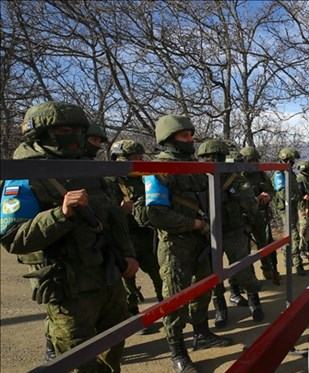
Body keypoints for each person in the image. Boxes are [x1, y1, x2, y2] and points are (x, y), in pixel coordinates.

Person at [1, 101, 139, 372]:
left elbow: (114, 218)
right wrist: (59, 214)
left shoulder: (89, 169)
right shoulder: (24, 175)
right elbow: (13, 239)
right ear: (40, 133)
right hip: (68, 288)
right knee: (80, 361)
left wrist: (128, 254)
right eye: (65, 129)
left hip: (108, 276)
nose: (75, 137)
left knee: (114, 347)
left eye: (78, 130)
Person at [144, 115, 231, 373]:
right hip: (175, 245)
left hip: (202, 241)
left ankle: (201, 334)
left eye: (191, 135)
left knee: (203, 289)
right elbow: (156, 213)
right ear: (169, 139)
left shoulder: (195, 165)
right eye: (185, 136)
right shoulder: (157, 169)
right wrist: (195, 225)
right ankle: (178, 352)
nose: (191, 140)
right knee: (176, 299)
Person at [196, 139, 264, 329]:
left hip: (232, 230)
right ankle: (221, 309)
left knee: (243, 267)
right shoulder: (198, 179)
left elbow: (250, 203)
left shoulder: (235, 179)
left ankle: (253, 302)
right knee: (215, 274)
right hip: (208, 232)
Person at [108, 139, 163, 335]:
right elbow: (103, 212)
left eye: (140, 157)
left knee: (160, 275)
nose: (137, 161)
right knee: (127, 282)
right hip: (125, 238)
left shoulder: (145, 177)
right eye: (132, 158)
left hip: (147, 236)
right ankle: (133, 317)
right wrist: (121, 211)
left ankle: (167, 308)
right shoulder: (110, 182)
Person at [239, 146, 280, 284]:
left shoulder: (261, 174)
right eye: (250, 161)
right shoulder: (239, 176)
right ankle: (250, 277)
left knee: (264, 242)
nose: (253, 163)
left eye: (255, 160)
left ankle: (268, 270)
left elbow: (272, 190)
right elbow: (239, 199)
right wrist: (256, 198)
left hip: (260, 214)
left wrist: (269, 196)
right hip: (245, 216)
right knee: (245, 248)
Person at [273, 147, 306, 275]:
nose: (292, 162)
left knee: (290, 234)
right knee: (294, 235)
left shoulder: (289, 172)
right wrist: (297, 197)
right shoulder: (279, 173)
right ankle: (298, 264)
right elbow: (282, 193)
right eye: (291, 159)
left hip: (292, 207)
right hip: (285, 208)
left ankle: (288, 259)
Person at [296, 160, 309, 268]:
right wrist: (303, 196)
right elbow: (298, 192)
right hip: (303, 207)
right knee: (304, 228)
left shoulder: (308, 179)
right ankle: (301, 248)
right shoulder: (300, 178)